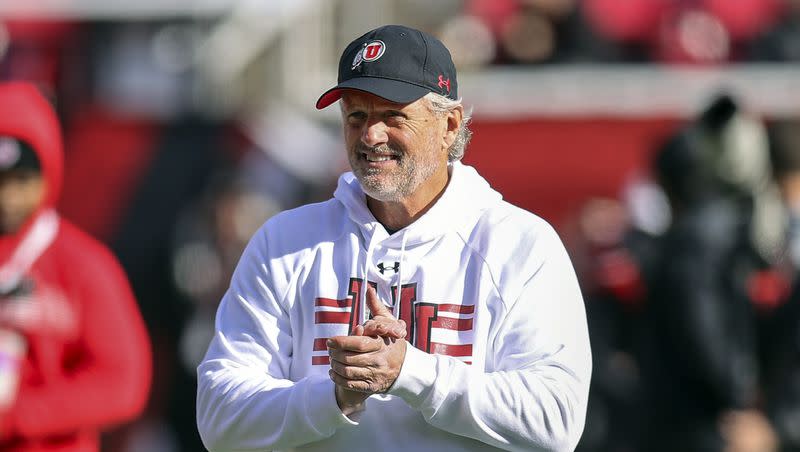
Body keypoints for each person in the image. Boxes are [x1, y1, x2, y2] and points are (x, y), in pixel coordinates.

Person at [196, 24, 592, 452]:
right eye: (356, 116)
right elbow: (219, 418)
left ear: (450, 125)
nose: (371, 136)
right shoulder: (285, 241)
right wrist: (332, 398)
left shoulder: (520, 244)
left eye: (393, 116)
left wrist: (411, 373)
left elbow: (556, 421)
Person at [0, 82, 152, 451]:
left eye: (22, 181)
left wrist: (18, 416)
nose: (8, 197)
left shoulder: (82, 264)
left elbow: (123, 382)